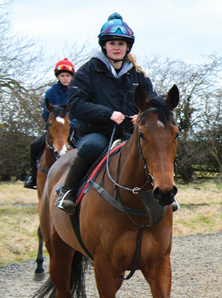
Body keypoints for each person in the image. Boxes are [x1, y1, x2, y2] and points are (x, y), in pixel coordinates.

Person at [55, 13, 155, 214]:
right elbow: (74, 104)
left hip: (129, 134)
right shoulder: (87, 71)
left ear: (128, 47)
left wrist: (142, 115)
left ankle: (165, 194)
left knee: (158, 145)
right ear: (104, 46)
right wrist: (107, 113)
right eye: (112, 43)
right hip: (95, 132)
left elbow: (152, 102)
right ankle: (67, 191)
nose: (116, 47)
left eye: (121, 43)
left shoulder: (139, 75)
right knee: (93, 146)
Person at [23, 58, 77, 189]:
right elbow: (45, 112)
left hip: (72, 128)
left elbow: (78, 111)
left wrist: (72, 125)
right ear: (58, 77)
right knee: (34, 145)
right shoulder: (51, 92)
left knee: (83, 147)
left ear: (71, 77)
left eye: (67, 76)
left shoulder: (76, 92)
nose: (65, 78)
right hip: (54, 128)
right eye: (62, 76)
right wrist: (51, 124)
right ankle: (32, 174)